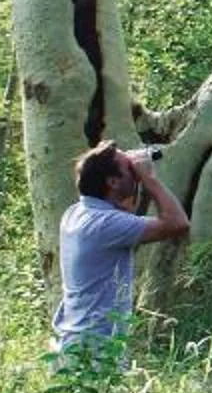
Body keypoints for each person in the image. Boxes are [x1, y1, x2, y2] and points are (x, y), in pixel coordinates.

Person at [52, 142, 191, 354]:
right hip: (96, 347)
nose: (134, 171)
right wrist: (148, 178)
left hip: (73, 340)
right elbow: (178, 223)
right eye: (129, 169)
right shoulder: (106, 224)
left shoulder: (75, 213)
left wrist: (132, 175)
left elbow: (124, 212)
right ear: (113, 182)